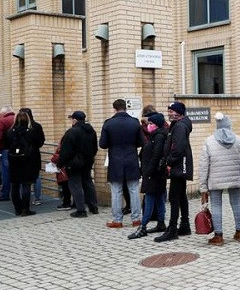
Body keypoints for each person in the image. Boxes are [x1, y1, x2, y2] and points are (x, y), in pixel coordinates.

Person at [199, 113, 240, 245]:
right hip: (234, 177)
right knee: (236, 203)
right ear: (229, 126)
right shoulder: (239, 140)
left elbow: (203, 166)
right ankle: (239, 232)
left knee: (216, 205)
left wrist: (203, 187)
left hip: (215, 179)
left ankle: (218, 236)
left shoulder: (209, 141)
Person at [100, 99, 145, 228]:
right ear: (126, 108)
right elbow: (141, 142)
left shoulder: (108, 123)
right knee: (134, 190)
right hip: (131, 159)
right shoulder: (134, 122)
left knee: (116, 191)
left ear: (114, 109)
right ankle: (136, 219)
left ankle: (117, 220)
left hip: (115, 160)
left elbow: (103, 144)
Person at [155, 102, 194, 242]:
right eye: (169, 111)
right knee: (181, 195)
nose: (169, 113)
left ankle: (172, 229)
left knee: (174, 197)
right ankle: (184, 225)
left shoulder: (180, 126)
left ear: (179, 112)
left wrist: (169, 161)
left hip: (178, 165)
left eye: (172, 111)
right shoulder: (178, 124)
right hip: (180, 165)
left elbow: (178, 148)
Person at [129, 112, 168, 239]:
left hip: (153, 173)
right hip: (155, 173)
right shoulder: (156, 135)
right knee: (159, 197)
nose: (148, 126)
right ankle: (161, 223)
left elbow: (156, 155)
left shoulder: (159, 136)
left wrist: (149, 171)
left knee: (150, 198)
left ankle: (143, 227)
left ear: (156, 124)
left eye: (151, 123)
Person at [57, 111, 99, 218]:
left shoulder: (71, 132)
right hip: (87, 162)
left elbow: (65, 151)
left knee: (75, 185)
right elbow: (95, 148)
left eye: (72, 119)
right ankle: (93, 207)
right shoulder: (91, 131)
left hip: (73, 163)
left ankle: (81, 210)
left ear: (75, 120)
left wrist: (60, 163)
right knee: (88, 183)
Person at [5, 109, 45, 216]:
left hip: (13, 160)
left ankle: (17, 209)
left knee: (15, 185)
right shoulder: (35, 127)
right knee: (26, 184)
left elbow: (6, 144)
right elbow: (40, 142)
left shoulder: (11, 130)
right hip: (30, 160)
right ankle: (25, 209)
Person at [20, 109, 44, 207]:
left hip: (21, 155)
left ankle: (24, 199)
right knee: (36, 177)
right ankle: (37, 198)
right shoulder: (37, 126)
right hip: (34, 154)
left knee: (23, 178)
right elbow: (41, 141)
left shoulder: (17, 127)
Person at [0, 107, 15, 202]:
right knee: (16, 172)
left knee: (5, 173)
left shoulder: (3, 121)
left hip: (5, 150)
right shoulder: (16, 118)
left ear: (4, 113)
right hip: (18, 151)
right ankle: (16, 194)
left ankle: (5, 194)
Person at [51, 140, 73, 210]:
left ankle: (66, 204)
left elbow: (54, 158)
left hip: (63, 172)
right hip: (70, 171)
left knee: (65, 189)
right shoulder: (71, 146)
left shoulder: (62, 147)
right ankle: (72, 203)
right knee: (70, 188)